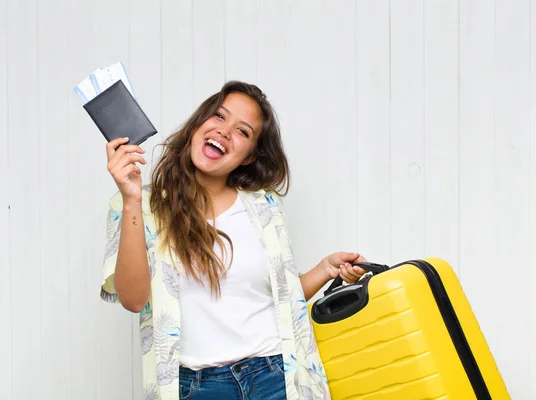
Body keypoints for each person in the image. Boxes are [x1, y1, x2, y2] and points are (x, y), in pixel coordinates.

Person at [100, 81, 368, 400]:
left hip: (275, 377)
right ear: (198, 124)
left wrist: (325, 269)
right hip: (196, 388)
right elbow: (133, 299)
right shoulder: (139, 207)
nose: (225, 131)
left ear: (247, 157)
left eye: (243, 131)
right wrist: (130, 198)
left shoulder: (263, 206)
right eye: (219, 116)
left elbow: (278, 299)